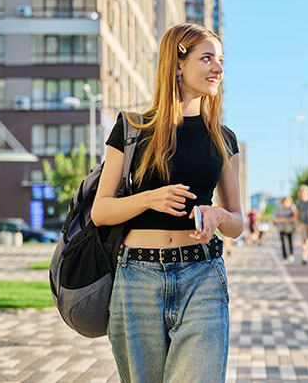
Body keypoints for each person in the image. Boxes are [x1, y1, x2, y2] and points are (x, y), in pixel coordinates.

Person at [91, 23, 243, 382]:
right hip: (137, 279)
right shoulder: (132, 129)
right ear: (177, 64)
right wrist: (149, 199)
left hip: (202, 275)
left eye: (220, 60)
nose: (218, 69)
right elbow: (101, 211)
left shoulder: (222, 138)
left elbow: (238, 222)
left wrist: (219, 214)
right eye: (207, 58)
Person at [274, 196, 296, 264]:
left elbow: (295, 217)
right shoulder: (279, 209)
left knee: (290, 241)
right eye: (284, 202)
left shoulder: (292, 208)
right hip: (282, 228)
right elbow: (276, 218)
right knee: (283, 243)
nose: (285, 203)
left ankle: (291, 254)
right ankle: (285, 257)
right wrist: (286, 219)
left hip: (290, 228)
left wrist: (284, 219)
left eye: (287, 202)